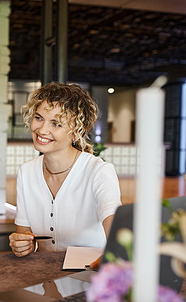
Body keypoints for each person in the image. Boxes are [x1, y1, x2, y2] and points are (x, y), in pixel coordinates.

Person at [9, 82, 121, 257]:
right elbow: (24, 235)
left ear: (77, 132)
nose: (42, 129)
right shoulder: (27, 172)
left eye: (56, 123)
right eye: (38, 118)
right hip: (44, 277)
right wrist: (23, 244)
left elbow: (113, 221)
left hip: (89, 277)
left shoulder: (99, 171)